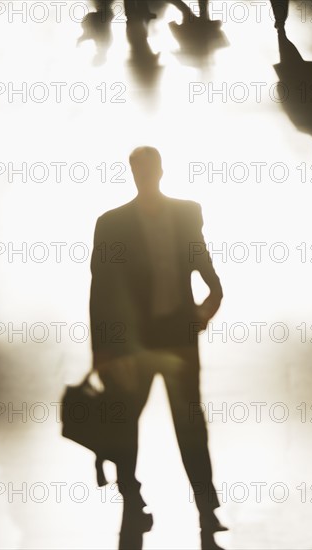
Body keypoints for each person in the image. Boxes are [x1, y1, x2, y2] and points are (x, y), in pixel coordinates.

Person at [90, 146, 226, 550]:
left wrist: (211, 299)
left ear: (159, 172)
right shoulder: (111, 225)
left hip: (175, 336)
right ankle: (138, 496)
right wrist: (104, 350)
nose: (145, 177)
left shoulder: (186, 213)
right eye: (140, 171)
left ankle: (200, 507)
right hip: (137, 341)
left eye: (148, 171)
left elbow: (202, 262)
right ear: (135, 174)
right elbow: (101, 291)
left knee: (186, 424)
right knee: (133, 422)